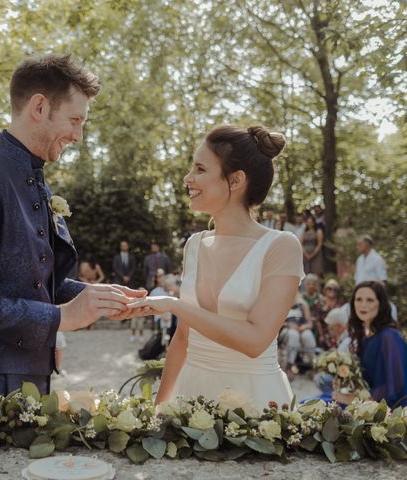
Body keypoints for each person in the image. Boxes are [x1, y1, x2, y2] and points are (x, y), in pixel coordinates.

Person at [0, 53, 143, 398]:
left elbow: (31, 283)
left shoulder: (35, 180)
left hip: (30, 378)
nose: (79, 136)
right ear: (39, 107)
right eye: (75, 120)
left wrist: (96, 298)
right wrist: (60, 318)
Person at [126, 124, 304, 410]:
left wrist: (174, 305)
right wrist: (159, 411)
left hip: (255, 399)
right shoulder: (195, 245)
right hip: (193, 393)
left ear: (235, 180)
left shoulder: (281, 247)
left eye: (199, 169)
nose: (188, 178)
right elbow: (183, 337)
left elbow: (256, 340)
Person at [330, 282, 407, 408]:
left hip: (388, 410)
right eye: (358, 299)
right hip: (365, 403)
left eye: (370, 300)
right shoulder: (364, 337)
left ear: (380, 304)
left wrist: (355, 400)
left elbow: (396, 387)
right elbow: (366, 381)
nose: (363, 305)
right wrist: (346, 384)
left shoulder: (389, 336)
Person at [313, 307, 351, 394]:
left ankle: (334, 400)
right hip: (344, 377)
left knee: (319, 378)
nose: (330, 332)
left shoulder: (346, 341)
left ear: (338, 326)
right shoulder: (345, 338)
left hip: (345, 380)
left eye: (331, 329)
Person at [279, 291, 316, 377]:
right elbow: (277, 323)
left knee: (308, 336)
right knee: (293, 335)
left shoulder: (302, 303)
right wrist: (288, 325)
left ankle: (313, 364)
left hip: (301, 328)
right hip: (287, 329)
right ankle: (289, 366)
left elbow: (310, 323)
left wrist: (304, 327)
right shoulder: (282, 302)